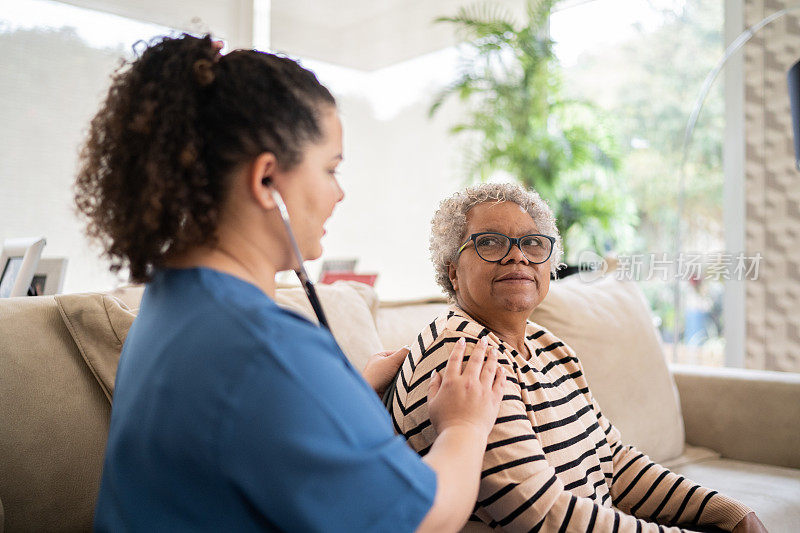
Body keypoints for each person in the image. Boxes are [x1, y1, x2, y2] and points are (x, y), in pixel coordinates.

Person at [74, 34, 507, 532]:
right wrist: (465, 426)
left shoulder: (170, 304)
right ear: (265, 181)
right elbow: (424, 519)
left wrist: (342, 394)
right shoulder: (266, 350)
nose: (339, 193)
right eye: (330, 169)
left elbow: (247, 434)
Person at [388, 183, 766, 532]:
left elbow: (614, 461)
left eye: (533, 243)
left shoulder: (549, 346)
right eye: (490, 242)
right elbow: (544, 514)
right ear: (453, 272)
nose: (517, 256)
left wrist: (731, 514)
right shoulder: (464, 358)